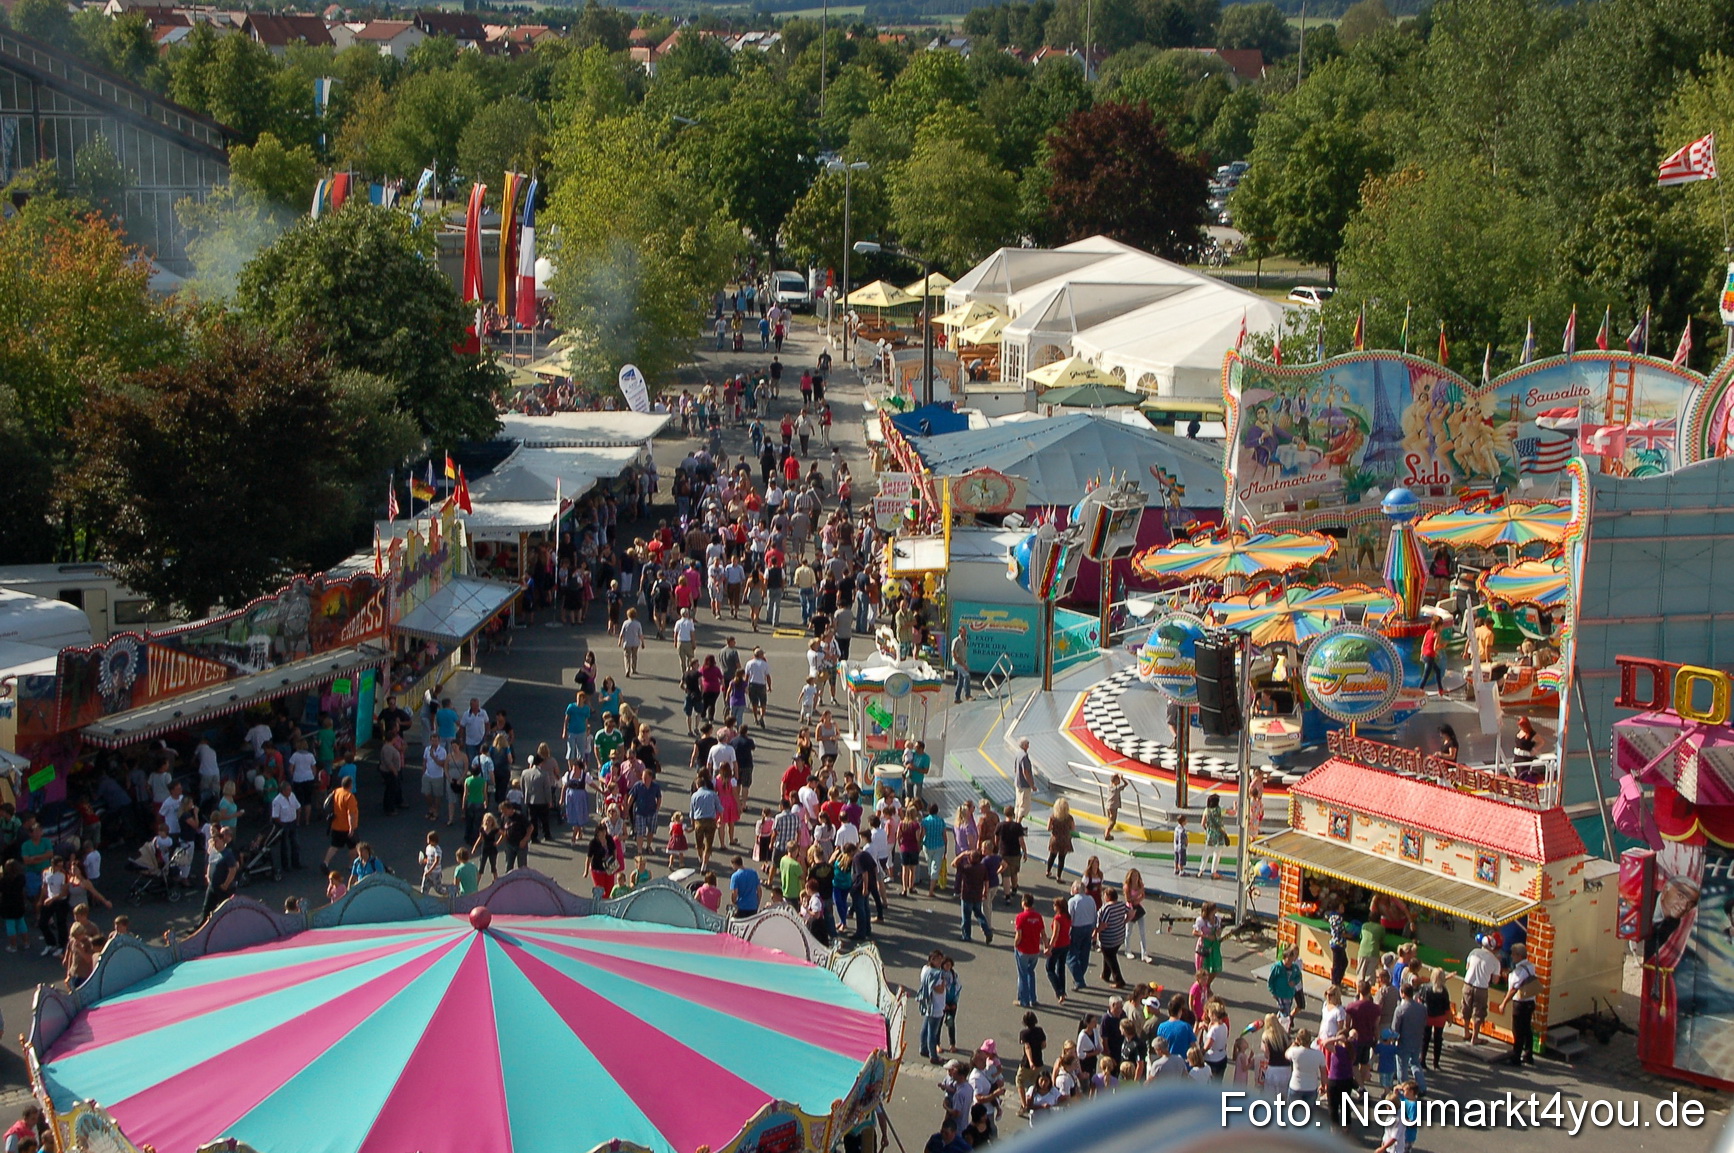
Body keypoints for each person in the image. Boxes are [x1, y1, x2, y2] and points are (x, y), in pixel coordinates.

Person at [1500, 942, 1538, 1065]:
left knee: (1517, 1030)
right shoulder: (1530, 966)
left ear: (1519, 956)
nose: (1511, 956)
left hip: (1520, 1004)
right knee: (1527, 1029)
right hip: (1531, 1002)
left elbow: (1513, 989)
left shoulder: (1518, 971)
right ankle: (1528, 1054)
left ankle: (1516, 1057)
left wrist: (1504, 1003)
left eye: (1513, 954)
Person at [1462, 933, 1500, 1044]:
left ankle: (1466, 1033)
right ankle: (1475, 1037)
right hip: (1481, 988)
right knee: (1478, 1013)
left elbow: (1467, 967)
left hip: (1467, 984)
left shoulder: (1473, 952)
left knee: (1466, 1008)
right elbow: (1495, 981)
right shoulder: (1495, 961)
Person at [199, 828, 239, 924]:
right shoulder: (213, 852)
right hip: (212, 885)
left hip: (223, 888)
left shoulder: (228, 854)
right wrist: (208, 878)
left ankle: (230, 927)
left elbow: (232, 870)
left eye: (216, 841)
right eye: (213, 842)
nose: (214, 844)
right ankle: (200, 927)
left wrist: (226, 884)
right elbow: (210, 865)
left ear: (222, 841)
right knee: (206, 908)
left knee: (225, 910)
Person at [919, 950, 951, 1063]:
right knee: (933, 1032)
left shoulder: (925, 969)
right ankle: (933, 1056)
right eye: (938, 960)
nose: (940, 962)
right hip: (936, 1006)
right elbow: (939, 989)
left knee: (925, 1027)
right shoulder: (937, 974)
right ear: (932, 959)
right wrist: (943, 983)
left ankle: (923, 1048)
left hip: (928, 1003)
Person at [1013, 893, 1044, 1008]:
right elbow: (1043, 933)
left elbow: (1019, 935)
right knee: (1031, 973)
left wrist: (1015, 944)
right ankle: (1033, 998)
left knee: (1022, 975)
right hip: (1035, 950)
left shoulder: (1020, 917)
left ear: (1024, 903)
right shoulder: (1038, 916)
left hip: (1023, 950)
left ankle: (1023, 1000)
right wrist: (1046, 945)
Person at [1096, 888, 1130, 988]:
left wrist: (1095, 933)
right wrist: (1124, 921)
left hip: (1108, 938)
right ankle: (1105, 975)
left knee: (1110, 958)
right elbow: (1131, 912)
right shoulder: (1121, 904)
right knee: (1108, 955)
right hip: (1119, 936)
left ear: (1107, 896)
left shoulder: (1107, 908)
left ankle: (1119, 980)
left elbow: (1104, 924)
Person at [1065, 881, 1096, 992]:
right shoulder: (1090, 899)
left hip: (1076, 928)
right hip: (1088, 928)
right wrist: (1094, 929)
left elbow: (1070, 917)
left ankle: (1079, 979)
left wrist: (1067, 932)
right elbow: (1094, 914)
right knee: (1084, 954)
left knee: (1070, 955)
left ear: (1076, 889)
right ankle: (1079, 976)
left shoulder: (1072, 901)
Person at [1045, 896, 1072, 1004]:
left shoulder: (1058, 919)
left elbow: (1055, 934)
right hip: (1066, 944)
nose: (1053, 907)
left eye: (1054, 905)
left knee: (1049, 968)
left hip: (1058, 945)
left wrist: (1049, 948)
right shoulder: (1067, 916)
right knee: (1061, 968)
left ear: (1059, 907)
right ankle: (1063, 990)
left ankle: (1059, 991)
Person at [1044, 798, 1074, 879]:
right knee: (1062, 858)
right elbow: (1073, 828)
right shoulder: (1069, 818)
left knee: (1052, 856)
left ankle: (1048, 871)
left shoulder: (1052, 817)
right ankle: (1059, 876)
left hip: (1055, 839)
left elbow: (1048, 828)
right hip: (1065, 840)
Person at [1419, 619, 1445, 696]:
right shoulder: (1437, 635)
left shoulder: (1428, 632)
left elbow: (1423, 644)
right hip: (1429, 656)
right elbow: (1435, 648)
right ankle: (1419, 691)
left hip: (1425, 654)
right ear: (1439, 626)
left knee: (1437, 670)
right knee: (1425, 676)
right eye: (1442, 626)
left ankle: (1441, 689)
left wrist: (1421, 654)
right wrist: (1442, 646)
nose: (1442, 627)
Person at [1013, 740, 1035, 821]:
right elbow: (1025, 772)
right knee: (1024, 806)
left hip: (1018, 783)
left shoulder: (1018, 754)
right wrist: (1032, 785)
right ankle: (1017, 825)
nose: (1028, 745)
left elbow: (1015, 769)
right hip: (1024, 785)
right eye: (1027, 744)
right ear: (1025, 745)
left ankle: (1016, 821)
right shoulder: (1024, 756)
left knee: (1018, 804)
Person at [952, 626, 973, 702]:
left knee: (960, 680)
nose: (965, 633)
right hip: (957, 662)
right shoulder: (956, 641)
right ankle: (968, 695)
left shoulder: (965, 640)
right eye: (963, 632)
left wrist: (965, 663)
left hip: (963, 662)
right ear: (960, 632)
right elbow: (954, 654)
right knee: (966, 676)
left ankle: (957, 698)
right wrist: (962, 664)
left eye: (965, 632)